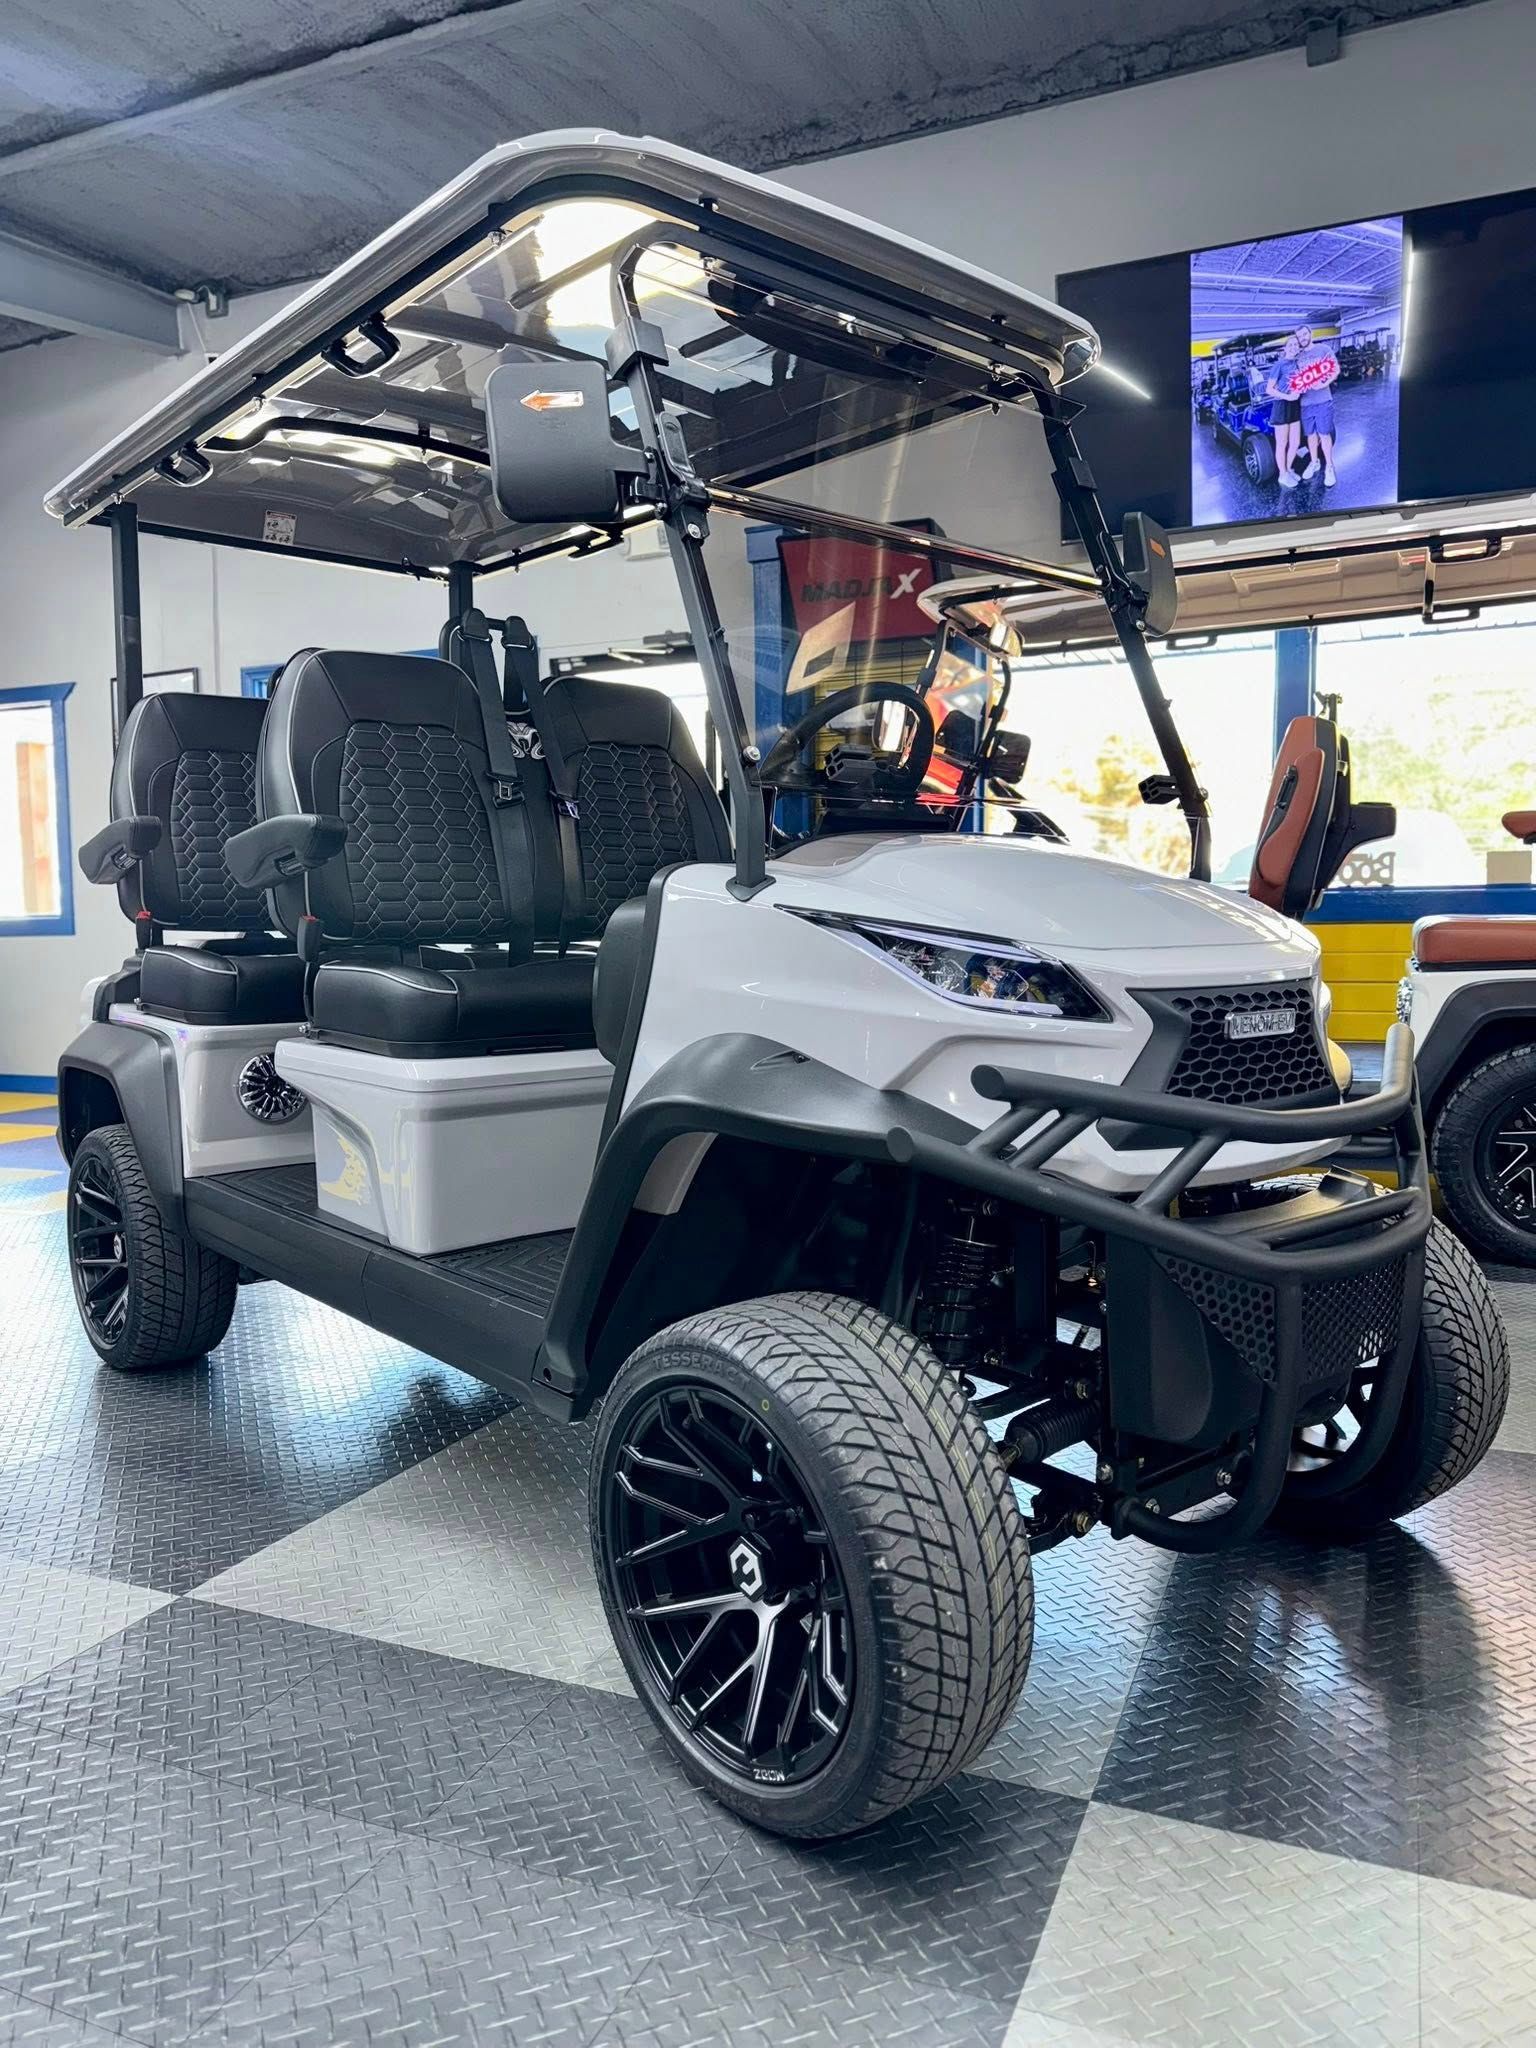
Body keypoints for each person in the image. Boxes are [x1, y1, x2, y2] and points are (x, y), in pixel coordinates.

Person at [1293, 324, 1340, 486]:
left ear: (1310, 333)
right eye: (1299, 336)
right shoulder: (1297, 357)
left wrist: (1324, 383)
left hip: (1323, 401)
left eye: (1304, 334)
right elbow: (1294, 379)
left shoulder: (1323, 349)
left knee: (1324, 434)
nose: (1303, 338)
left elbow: (1335, 369)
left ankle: (1329, 467)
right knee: (1311, 435)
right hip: (1305, 404)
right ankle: (1314, 462)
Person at [1263, 337, 1302, 488]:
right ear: (1285, 348)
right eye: (1290, 345)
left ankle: (1288, 469)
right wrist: (1288, 396)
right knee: (1282, 443)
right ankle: (1282, 475)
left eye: (1296, 344)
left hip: (1294, 405)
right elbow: (1269, 389)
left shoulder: (1297, 364)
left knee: (1295, 442)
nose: (1293, 347)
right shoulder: (1279, 365)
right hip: (1281, 405)